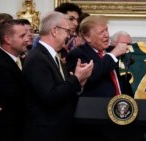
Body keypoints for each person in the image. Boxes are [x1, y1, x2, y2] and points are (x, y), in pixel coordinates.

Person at [22, 11, 93, 141]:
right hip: (45, 133)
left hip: (58, 129)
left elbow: (62, 90)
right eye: (67, 31)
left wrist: (79, 83)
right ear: (55, 30)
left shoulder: (52, 56)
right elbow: (50, 97)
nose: (69, 36)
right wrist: (76, 79)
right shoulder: (38, 58)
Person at [0, 19, 29, 141]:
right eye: (22, 36)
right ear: (8, 39)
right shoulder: (0, 66)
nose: (27, 39)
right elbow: (19, 99)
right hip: (7, 131)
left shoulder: (14, 60)